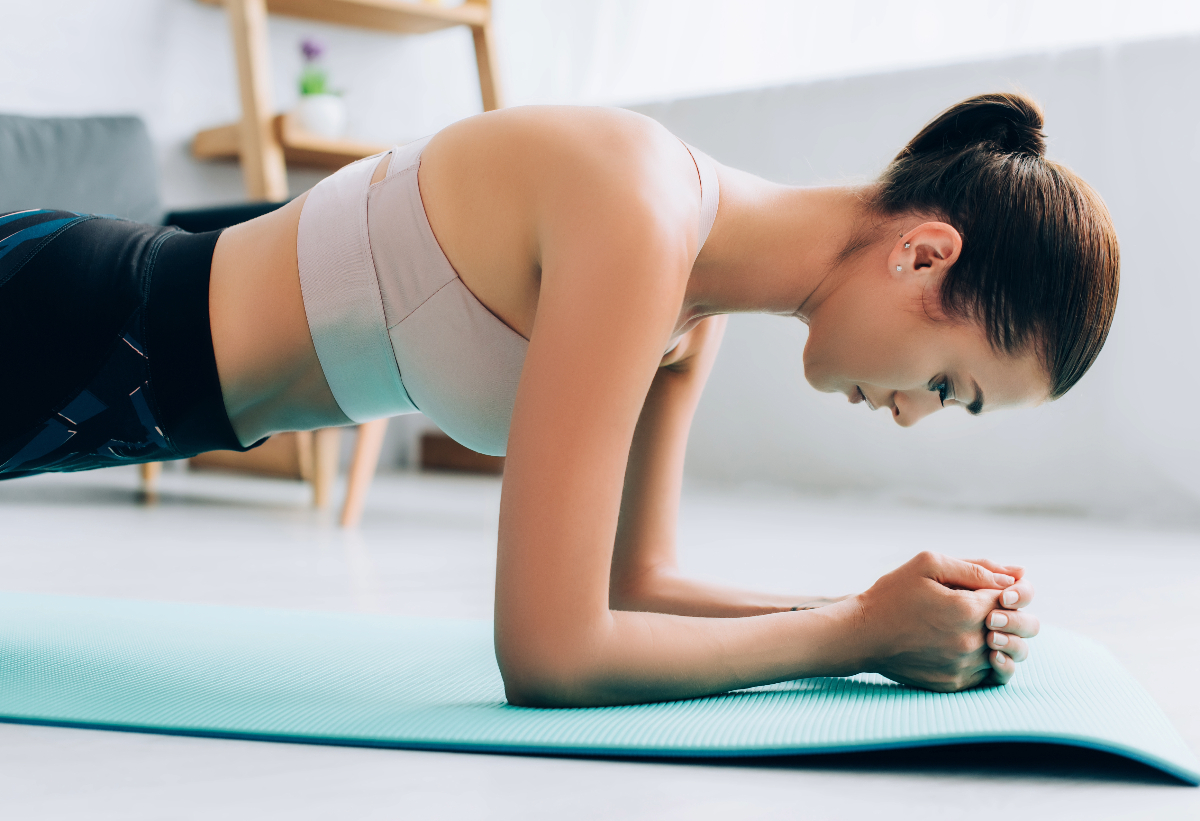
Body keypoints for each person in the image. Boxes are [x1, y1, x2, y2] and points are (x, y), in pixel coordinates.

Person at [0, 93, 1119, 707]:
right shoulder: (633, 210)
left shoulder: (693, 314)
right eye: (949, 385)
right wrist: (855, 636)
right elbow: (549, 654)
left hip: (111, 403)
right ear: (925, 258)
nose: (914, 412)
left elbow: (637, 587)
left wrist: (891, 621)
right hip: (67, 320)